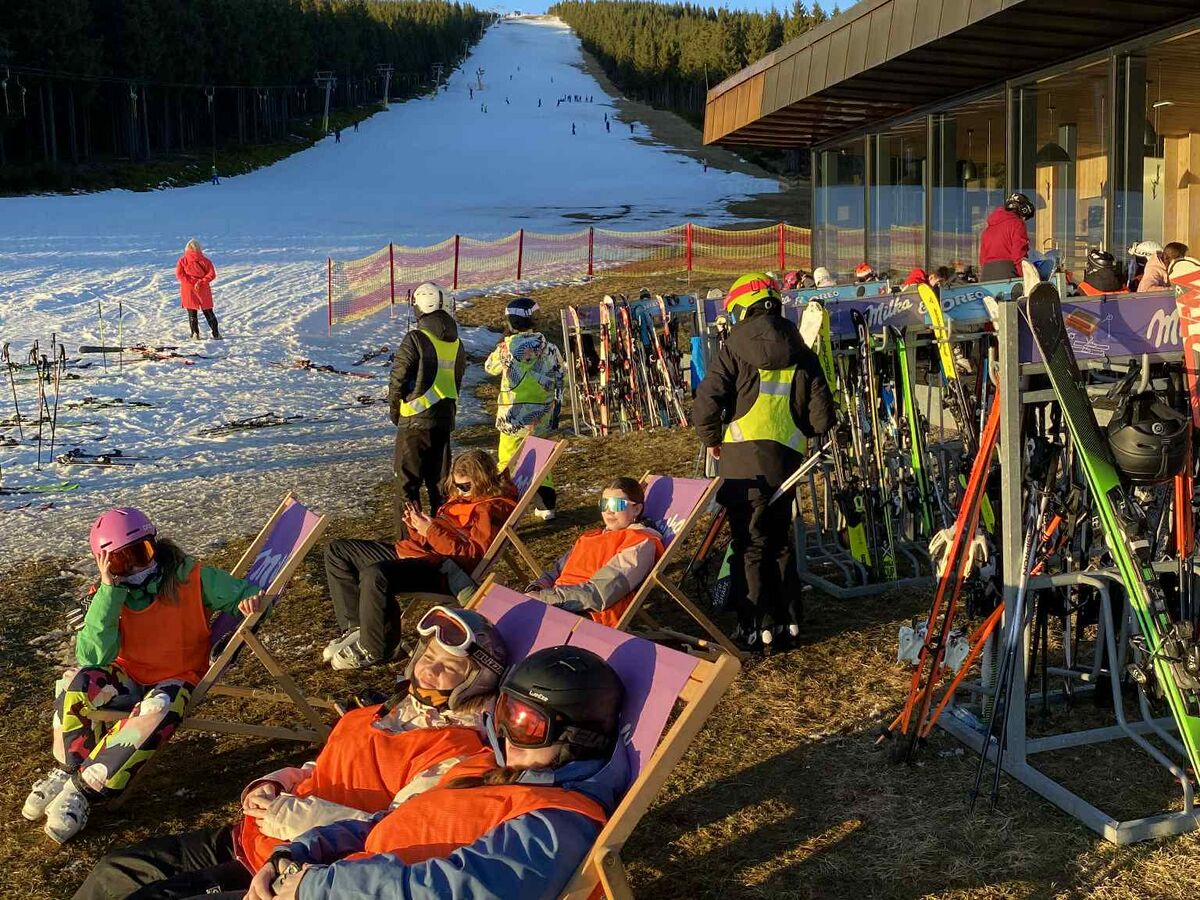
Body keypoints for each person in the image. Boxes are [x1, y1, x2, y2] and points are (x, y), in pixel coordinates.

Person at [71, 607, 507, 900]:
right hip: (252, 835)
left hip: (300, 868)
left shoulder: (458, 753)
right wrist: (275, 783)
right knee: (116, 869)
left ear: (476, 683)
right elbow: (321, 766)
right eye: (429, 655)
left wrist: (290, 814)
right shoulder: (383, 711)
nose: (429, 669)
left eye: (449, 666)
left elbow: (393, 831)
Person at [245, 646, 627, 900]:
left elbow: (458, 890)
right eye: (503, 714)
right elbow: (391, 822)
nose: (508, 736)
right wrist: (300, 851)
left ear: (579, 740)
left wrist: (317, 887)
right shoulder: (488, 769)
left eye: (526, 725)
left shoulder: (558, 820)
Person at [22, 508, 262, 844]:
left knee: (158, 708)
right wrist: (108, 591)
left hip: (176, 678)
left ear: (155, 544)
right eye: (123, 561)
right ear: (105, 563)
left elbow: (244, 593)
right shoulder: (107, 594)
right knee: (73, 679)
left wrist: (248, 604)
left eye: (142, 553)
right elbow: (93, 658)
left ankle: (82, 789)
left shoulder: (190, 576)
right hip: (128, 675)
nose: (136, 567)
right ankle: (66, 770)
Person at [694, 273, 834, 652]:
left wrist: (711, 440)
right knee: (780, 542)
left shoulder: (733, 347)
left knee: (749, 544)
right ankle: (789, 622)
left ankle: (756, 625)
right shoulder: (802, 349)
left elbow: (707, 400)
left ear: (741, 307)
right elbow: (822, 418)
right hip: (786, 464)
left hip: (741, 466)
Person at [322, 449, 516, 670]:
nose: (459, 492)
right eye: (456, 485)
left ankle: (377, 648)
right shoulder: (464, 499)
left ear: (482, 481)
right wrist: (417, 527)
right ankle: (357, 628)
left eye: (465, 486)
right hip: (418, 551)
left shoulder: (490, 508)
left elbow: (471, 556)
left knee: (376, 575)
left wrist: (430, 530)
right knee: (338, 551)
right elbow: (440, 533)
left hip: (440, 568)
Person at [524, 478, 664, 628]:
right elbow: (556, 571)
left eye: (617, 504)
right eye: (604, 504)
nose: (609, 511)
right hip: (557, 603)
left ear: (636, 509)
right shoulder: (591, 537)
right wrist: (536, 588)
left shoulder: (640, 543)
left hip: (588, 616)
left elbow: (600, 593)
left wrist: (545, 598)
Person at [389, 282, 465, 524]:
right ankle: (443, 532)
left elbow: (398, 378)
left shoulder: (415, 339)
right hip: (443, 421)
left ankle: (409, 544)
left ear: (420, 307)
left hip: (413, 422)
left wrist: (395, 410)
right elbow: (458, 379)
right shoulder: (456, 343)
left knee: (406, 486)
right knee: (440, 484)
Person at [483, 297, 563, 521]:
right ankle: (546, 505)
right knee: (540, 458)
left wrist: (504, 345)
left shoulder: (506, 348)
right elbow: (560, 374)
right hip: (542, 413)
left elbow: (489, 368)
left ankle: (506, 506)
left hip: (512, 414)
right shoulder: (549, 347)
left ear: (510, 322)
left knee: (507, 460)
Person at [979, 191, 1033, 280]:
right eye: (1025, 217)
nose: (1024, 220)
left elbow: (982, 259)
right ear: (1022, 211)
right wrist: (1026, 276)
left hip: (986, 276)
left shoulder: (988, 229)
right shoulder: (1017, 224)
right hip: (1008, 275)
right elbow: (1018, 255)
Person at [175, 239, 220, 340]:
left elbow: (179, 274)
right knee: (208, 311)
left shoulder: (183, 260)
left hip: (188, 288)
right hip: (203, 288)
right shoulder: (206, 261)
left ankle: (195, 334)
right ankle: (216, 333)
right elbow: (212, 274)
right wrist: (201, 281)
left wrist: (190, 282)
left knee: (192, 312)